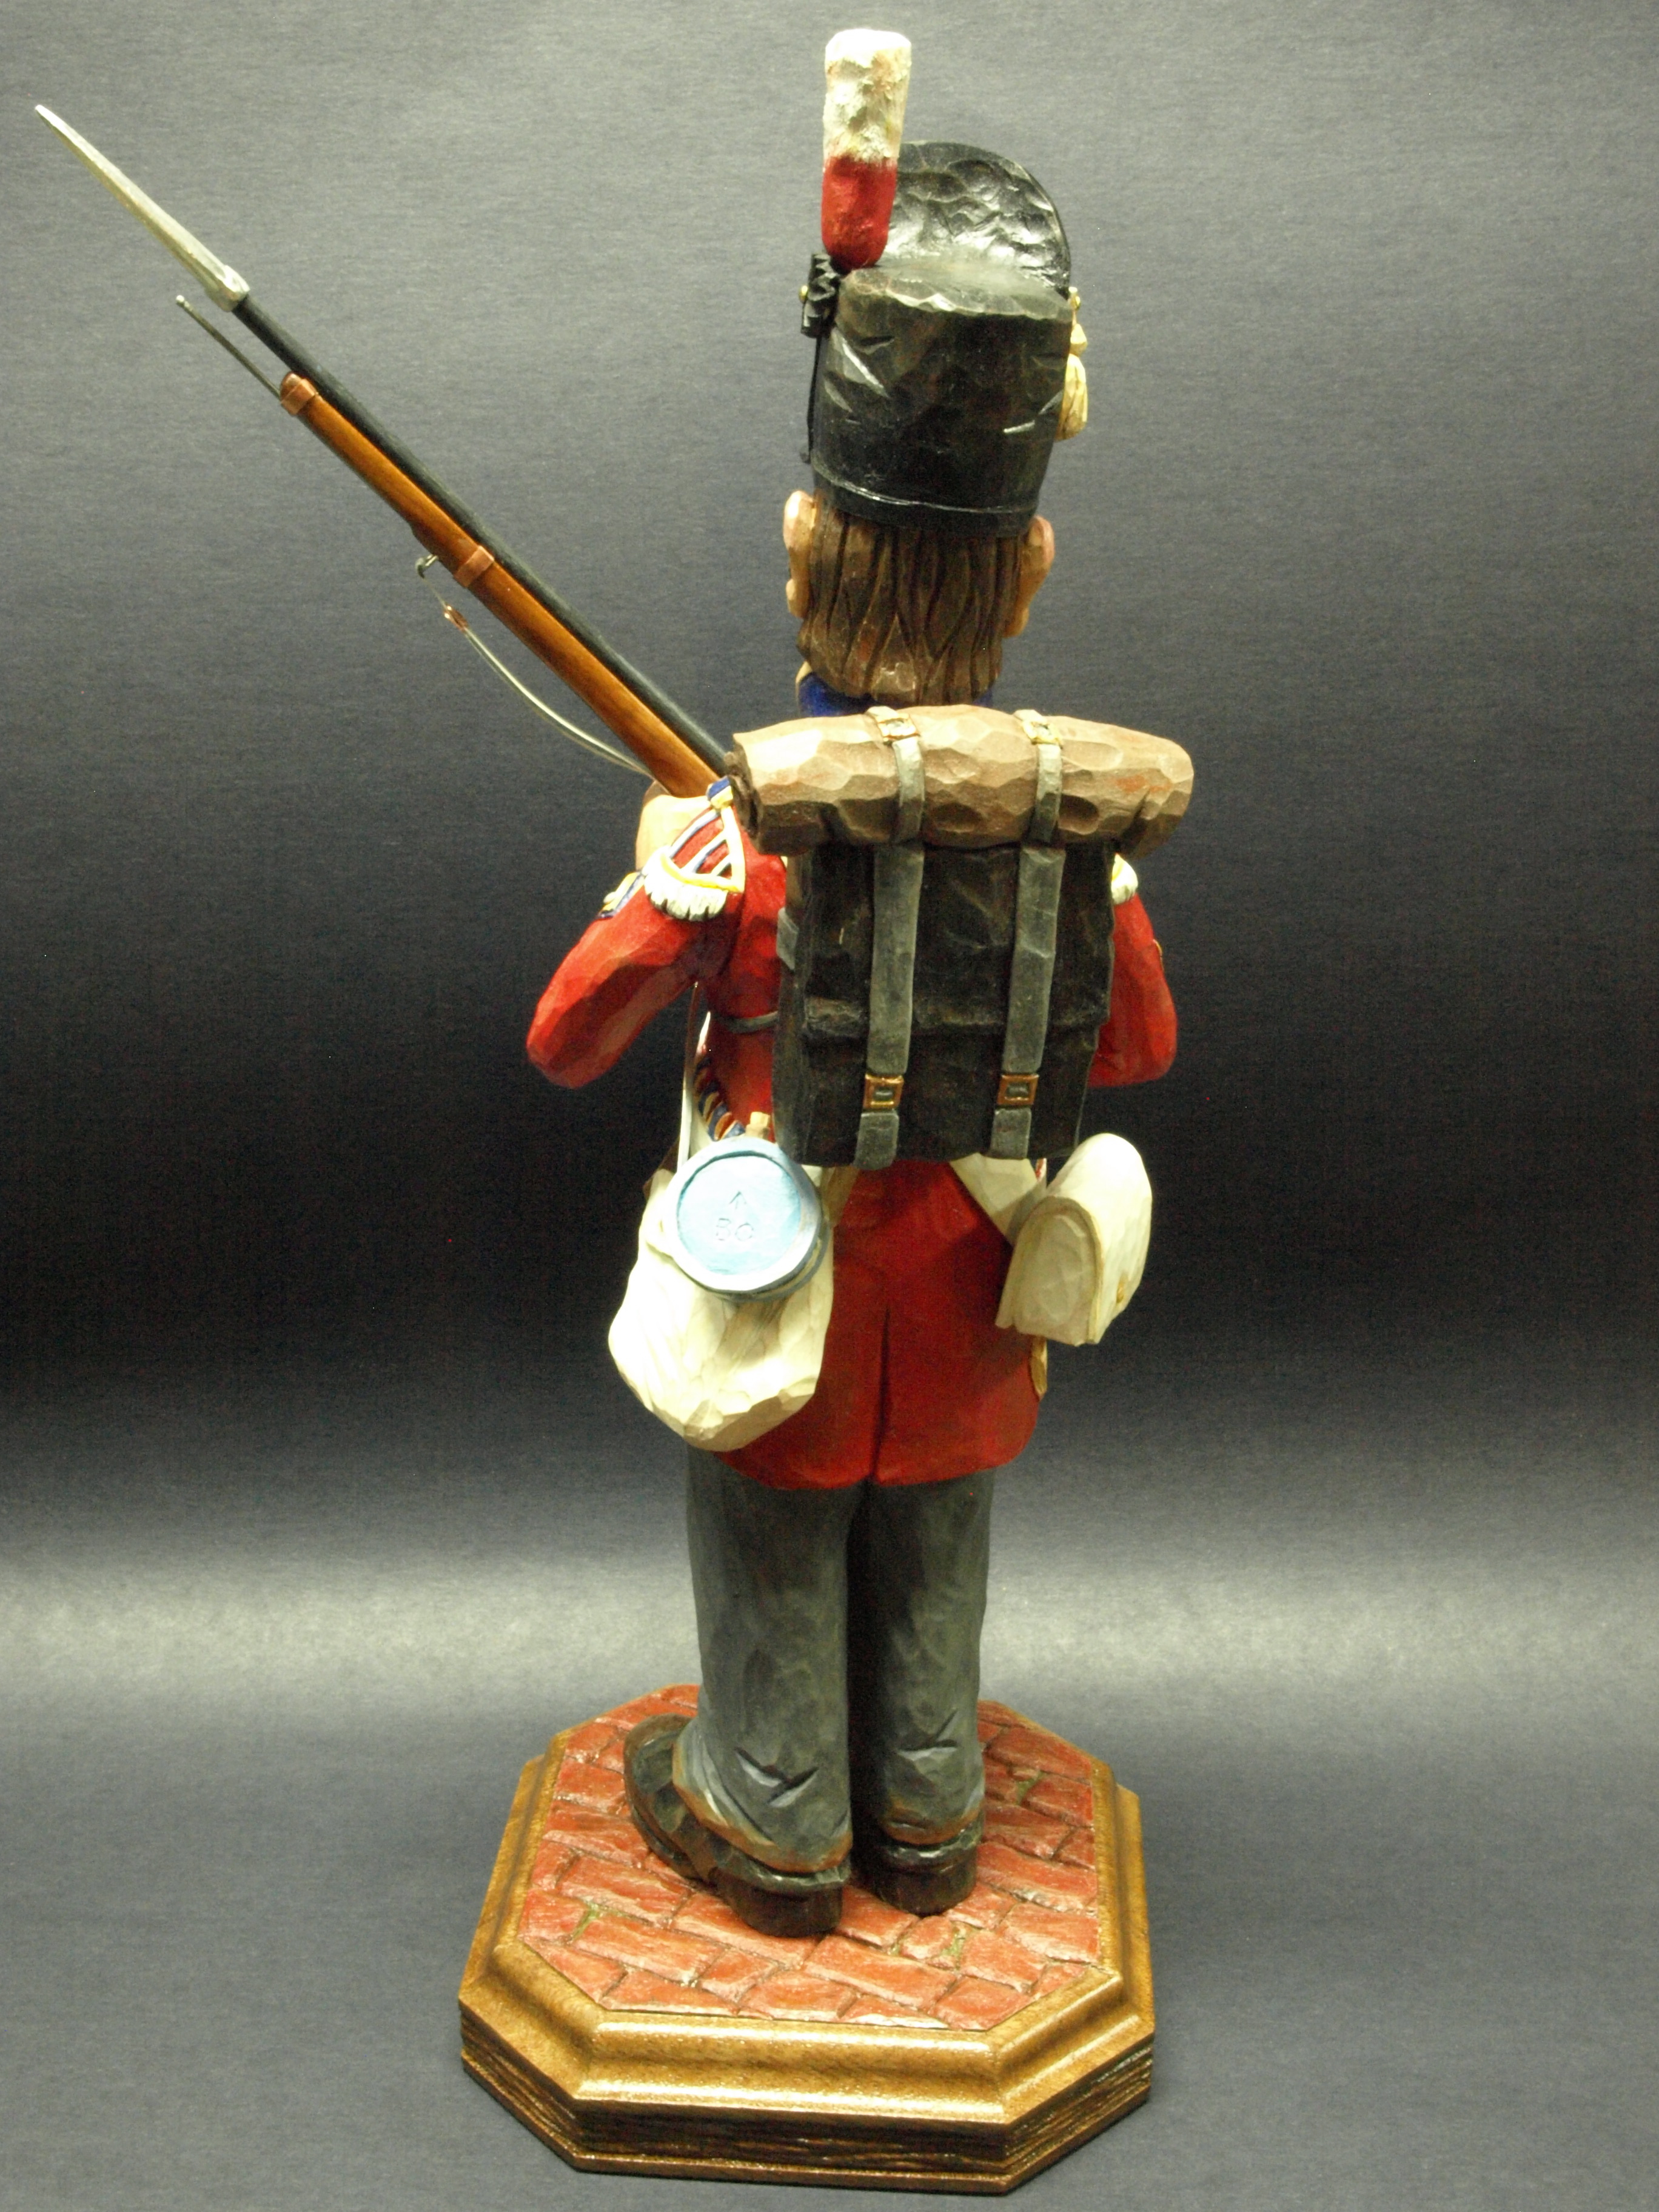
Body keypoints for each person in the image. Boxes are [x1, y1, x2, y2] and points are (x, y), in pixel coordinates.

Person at [526, 121, 1178, 1940]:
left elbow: (566, 1039)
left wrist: (676, 891)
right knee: (937, 1559)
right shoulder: (1068, 827)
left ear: (803, 552)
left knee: (778, 1549)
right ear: (1026, 574)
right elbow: (1136, 1047)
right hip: (970, 1298)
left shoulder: (747, 842)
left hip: (783, 1280)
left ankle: (779, 1813)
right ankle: (930, 1803)